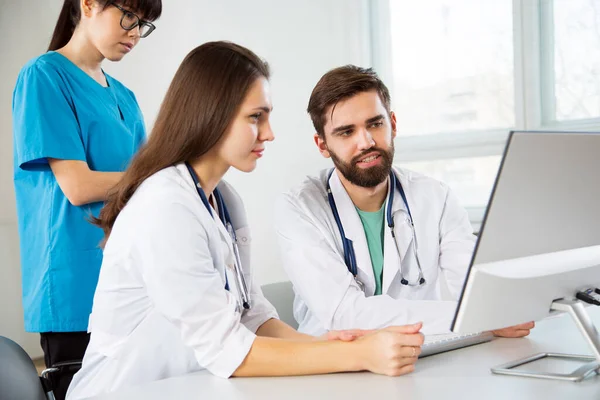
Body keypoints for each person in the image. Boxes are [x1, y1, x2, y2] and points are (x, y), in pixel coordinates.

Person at [66, 42, 426, 400]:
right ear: (213, 114)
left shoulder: (224, 199)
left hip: (188, 386)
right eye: (256, 117)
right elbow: (227, 348)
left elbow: (252, 315)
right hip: (123, 391)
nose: (269, 133)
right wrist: (356, 355)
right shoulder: (165, 207)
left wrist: (320, 345)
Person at [274, 65, 535, 338]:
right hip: (335, 369)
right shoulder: (299, 208)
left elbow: (471, 294)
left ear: (393, 124)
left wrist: (487, 311)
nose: (366, 142)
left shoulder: (436, 198)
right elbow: (345, 315)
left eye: (375, 124)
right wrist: (480, 318)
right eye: (346, 132)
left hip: (423, 356)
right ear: (322, 145)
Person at [12, 1, 161, 398]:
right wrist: (162, 173)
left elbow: (146, 191)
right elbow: (78, 186)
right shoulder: (44, 77)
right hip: (73, 282)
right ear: (89, 4)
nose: (135, 32)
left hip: (127, 282)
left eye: (144, 25)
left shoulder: (125, 97)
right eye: (130, 17)